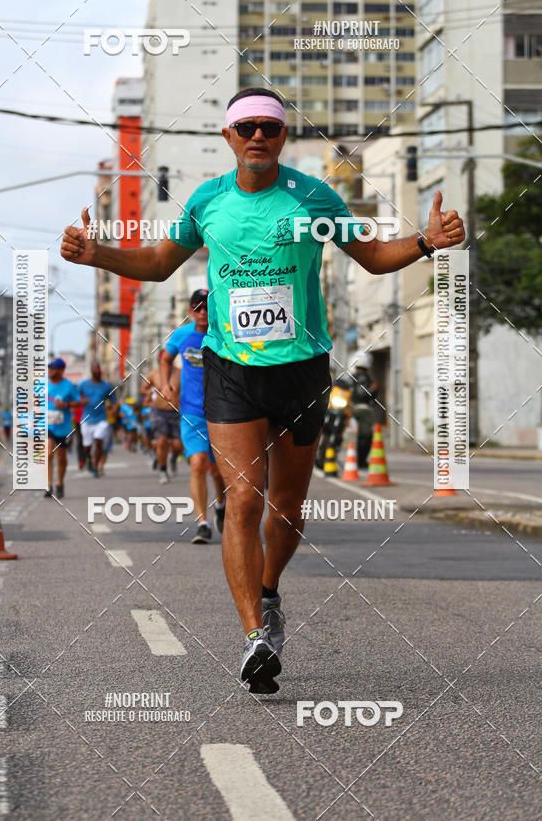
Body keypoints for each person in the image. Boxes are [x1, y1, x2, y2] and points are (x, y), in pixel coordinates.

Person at [61, 86, 465, 694]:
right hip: (232, 370)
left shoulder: (313, 197)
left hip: (302, 369)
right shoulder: (207, 201)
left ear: (281, 137)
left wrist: (428, 241)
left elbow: (375, 256)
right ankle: (255, 637)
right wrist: (98, 255)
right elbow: (157, 262)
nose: (257, 136)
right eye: (245, 126)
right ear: (228, 137)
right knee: (244, 500)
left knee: (287, 509)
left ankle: (270, 591)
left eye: (269, 129)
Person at [162, 289, 227, 544]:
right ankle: (202, 523)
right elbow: (165, 359)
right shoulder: (182, 335)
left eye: (207, 307)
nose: (202, 312)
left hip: (222, 411)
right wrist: (167, 384)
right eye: (197, 307)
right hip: (191, 411)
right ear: (190, 311)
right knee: (198, 464)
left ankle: (221, 504)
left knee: (219, 472)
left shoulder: (223, 333)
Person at [141, 357, 183, 485]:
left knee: (178, 445)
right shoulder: (153, 374)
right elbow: (143, 388)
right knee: (161, 441)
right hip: (159, 411)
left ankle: (173, 459)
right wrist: (150, 392)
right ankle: (163, 470)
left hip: (176, 412)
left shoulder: (180, 372)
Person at [46, 357, 80, 499]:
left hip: (63, 427)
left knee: (61, 458)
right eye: (49, 368)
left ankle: (59, 483)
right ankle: (48, 485)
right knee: (48, 454)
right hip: (47, 425)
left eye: (53, 368)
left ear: (61, 370)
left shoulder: (68, 386)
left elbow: (77, 402)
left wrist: (65, 405)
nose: (50, 370)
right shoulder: (43, 384)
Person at [78, 362, 115, 478]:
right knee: (87, 446)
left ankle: (95, 466)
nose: (97, 371)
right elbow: (75, 397)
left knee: (99, 442)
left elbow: (113, 400)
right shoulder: (83, 385)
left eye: (98, 369)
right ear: (91, 371)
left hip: (101, 418)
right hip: (86, 418)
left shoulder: (106, 386)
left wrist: (110, 406)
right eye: (95, 369)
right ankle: (88, 459)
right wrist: (80, 402)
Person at [347, 350, 378, 468]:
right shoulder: (363, 377)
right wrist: (373, 389)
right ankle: (361, 461)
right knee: (366, 435)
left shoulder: (352, 376)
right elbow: (362, 392)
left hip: (350, 407)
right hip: (363, 409)